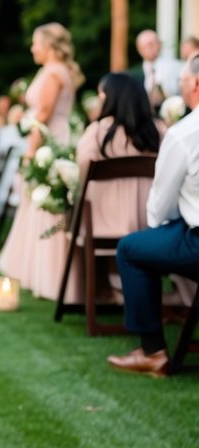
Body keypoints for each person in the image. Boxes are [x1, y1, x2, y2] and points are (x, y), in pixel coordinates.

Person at [108, 55, 199, 377]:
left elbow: (160, 204)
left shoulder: (185, 133)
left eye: (183, 82)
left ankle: (152, 352)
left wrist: (160, 230)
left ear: (195, 86)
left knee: (132, 249)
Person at [0, 22, 84, 300]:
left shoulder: (53, 73)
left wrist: (31, 151)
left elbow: (43, 114)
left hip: (48, 140)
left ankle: (51, 278)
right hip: (59, 136)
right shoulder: (60, 71)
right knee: (44, 205)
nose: (32, 48)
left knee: (45, 204)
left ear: (48, 46)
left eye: (36, 43)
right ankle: (41, 274)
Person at [66, 73, 163, 303]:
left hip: (102, 223)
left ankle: (100, 290)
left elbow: (80, 173)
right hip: (148, 222)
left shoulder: (98, 132)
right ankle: (117, 287)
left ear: (111, 98)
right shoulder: (159, 131)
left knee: (71, 212)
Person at [134, 29, 181, 108]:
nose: (148, 48)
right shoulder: (135, 74)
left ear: (160, 44)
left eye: (151, 44)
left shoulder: (176, 67)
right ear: (139, 50)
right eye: (144, 46)